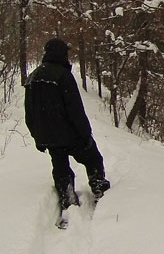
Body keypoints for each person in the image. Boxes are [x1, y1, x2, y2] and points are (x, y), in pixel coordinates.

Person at [25, 38, 110, 216]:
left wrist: (37, 137)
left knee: (60, 166)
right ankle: (98, 186)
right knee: (93, 158)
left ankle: (67, 197)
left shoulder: (33, 77)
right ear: (62, 54)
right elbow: (75, 110)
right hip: (70, 134)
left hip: (48, 136)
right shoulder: (63, 76)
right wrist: (86, 134)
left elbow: (30, 113)